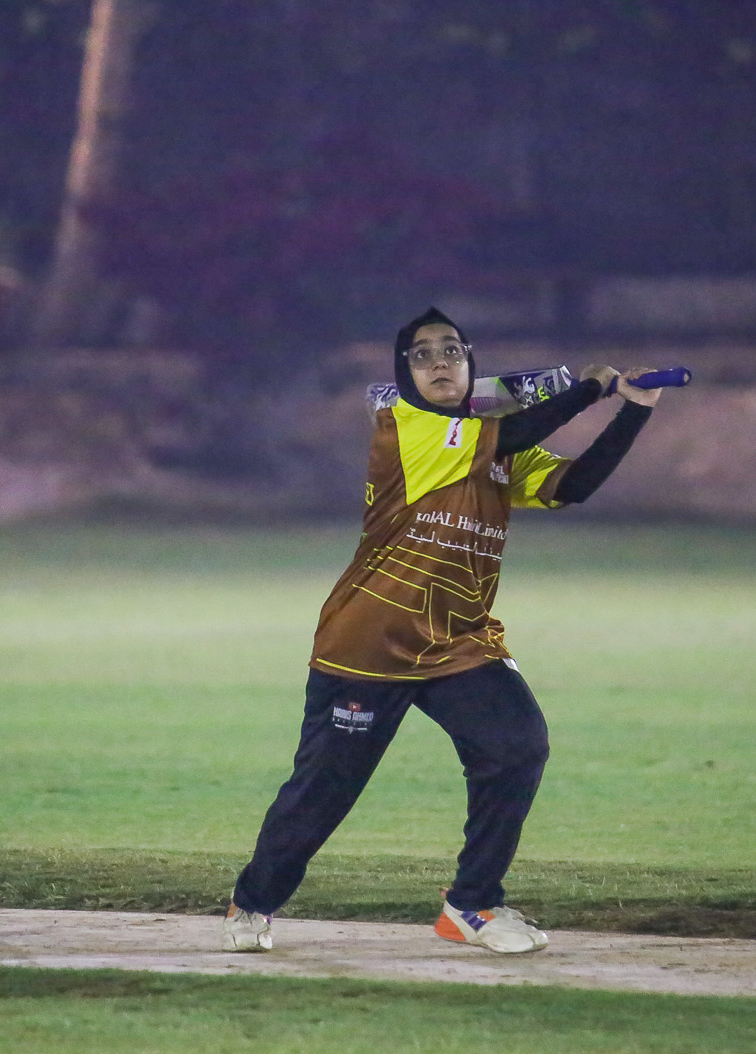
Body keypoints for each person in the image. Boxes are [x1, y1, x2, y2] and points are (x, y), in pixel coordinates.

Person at [223, 307, 663, 955]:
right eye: (422, 354)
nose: (439, 362)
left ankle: (472, 903)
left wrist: (634, 410)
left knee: (518, 747)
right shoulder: (405, 425)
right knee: (324, 790)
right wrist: (590, 386)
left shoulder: (494, 443)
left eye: (452, 351)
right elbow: (519, 428)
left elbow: (574, 485)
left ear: (470, 364)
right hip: (370, 639)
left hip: (459, 639)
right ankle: (253, 901)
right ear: (404, 374)